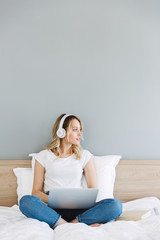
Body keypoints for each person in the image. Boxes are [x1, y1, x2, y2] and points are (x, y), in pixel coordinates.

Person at [19, 113, 122, 229]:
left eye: (80, 130)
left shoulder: (85, 155)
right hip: (52, 209)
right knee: (26, 201)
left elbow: (93, 188)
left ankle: (70, 224)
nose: (80, 135)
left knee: (115, 205)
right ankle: (66, 224)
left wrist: (77, 201)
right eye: (75, 130)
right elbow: (36, 192)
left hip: (79, 209)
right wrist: (55, 200)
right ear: (61, 132)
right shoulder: (43, 156)